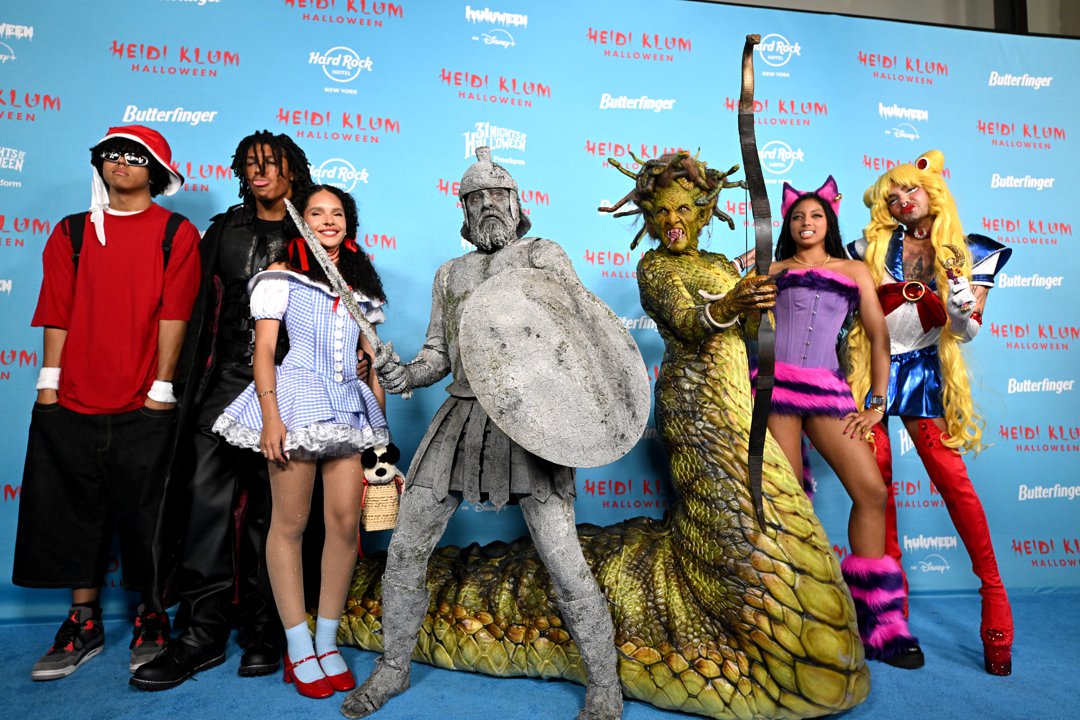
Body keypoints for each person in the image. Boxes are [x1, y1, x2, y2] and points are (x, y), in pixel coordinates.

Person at [342, 148, 623, 720]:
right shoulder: (451, 274)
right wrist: (405, 375)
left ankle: (604, 682)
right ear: (464, 212)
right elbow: (437, 355)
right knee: (406, 548)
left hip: (534, 422)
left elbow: (578, 334)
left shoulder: (543, 255)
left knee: (564, 560)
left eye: (499, 196)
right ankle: (393, 667)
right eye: (477, 199)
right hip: (462, 416)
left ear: (518, 205)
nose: (489, 205)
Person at [12, 125, 201, 681]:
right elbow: (57, 307)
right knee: (72, 511)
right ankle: (83, 621)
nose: (121, 163)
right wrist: (48, 383)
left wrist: (162, 388)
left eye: (134, 157)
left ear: (157, 172)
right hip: (73, 398)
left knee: (150, 515)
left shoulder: (176, 233)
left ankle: (152, 615)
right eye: (112, 154)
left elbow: (175, 313)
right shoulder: (71, 231)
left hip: (145, 401)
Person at [132, 131, 313, 690]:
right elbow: (195, 311)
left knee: (270, 510)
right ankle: (202, 631)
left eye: (271, 163)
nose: (260, 172)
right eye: (251, 164)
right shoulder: (223, 231)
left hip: (287, 390)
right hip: (222, 384)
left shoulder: (312, 232)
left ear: (291, 171)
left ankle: (264, 627)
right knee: (204, 506)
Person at [213, 184, 389, 699]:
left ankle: (327, 640)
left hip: (348, 404)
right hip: (295, 399)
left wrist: (381, 431)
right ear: (302, 222)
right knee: (290, 524)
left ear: (348, 223)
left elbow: (372, 363)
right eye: (317, 213)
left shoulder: (361, 289)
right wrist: (271, 418)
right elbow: (264, 352)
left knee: (344, 523)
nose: (328, 220)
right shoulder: (280, 277)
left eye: (337, 213)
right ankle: (297, 645)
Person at [847, 150, 1014, 675]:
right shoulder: (871, 248)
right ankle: (887, 616)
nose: (902, 201)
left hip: (924, 371)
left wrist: (959, 295)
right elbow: (811, 261)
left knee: (953, 482)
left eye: (910, 191)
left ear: (933, 191)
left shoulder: (971, 251)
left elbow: (965, 331)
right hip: (872, 374)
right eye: (893, 197)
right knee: (876, 489)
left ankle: (995, 600)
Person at [767, 178, 922, 668]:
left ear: (829, 222)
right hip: (774, 389)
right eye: (797, 216)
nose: (806, 222)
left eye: (815, 215)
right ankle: (790, 617)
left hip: (828, 389)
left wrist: (876, 403)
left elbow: (879, 338)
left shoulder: (854, 270)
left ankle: (881, 623)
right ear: (787, 225)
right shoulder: (771, 269)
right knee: (787, 499)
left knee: (871, 492)